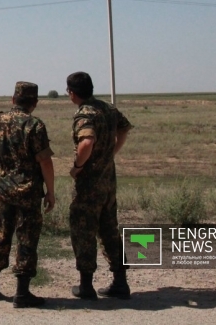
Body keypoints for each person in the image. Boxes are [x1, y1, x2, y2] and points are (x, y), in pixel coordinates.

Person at [0, 82, 56, 308]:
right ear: (34, 103)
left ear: (12, 100)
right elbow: (45, 161)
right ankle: (22, 292)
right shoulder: (35, 125)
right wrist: (51, 192)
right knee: (27, 239)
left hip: (3, 190)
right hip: (28, 191)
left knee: (0, 234)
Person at [66, 71, 132, 300]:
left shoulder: (85, 113)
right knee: (110, 230)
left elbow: (86, 141)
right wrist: (111, 153)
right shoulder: (108, 109)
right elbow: (124, 128)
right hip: (108, 183)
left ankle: (86, 286)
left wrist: (77, 166)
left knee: (83, 231)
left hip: (89, 185)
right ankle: (120, 281)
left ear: (72, 93)